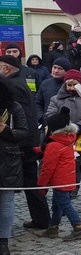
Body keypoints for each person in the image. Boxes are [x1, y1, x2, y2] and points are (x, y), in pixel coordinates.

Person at [46, 69, 81, 219]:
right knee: (68, 178)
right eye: (69, 84)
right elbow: (51, 117)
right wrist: (68, 128)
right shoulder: (56, 100)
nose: (71, 88)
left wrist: (80, 126)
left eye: (75, 84)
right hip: (65, 144)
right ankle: (66, 206)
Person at [0, 55, 46, 230]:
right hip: (24, 141)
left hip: (21, 143)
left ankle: (41, 219)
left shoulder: (12, 86)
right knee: (30, 181)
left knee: (30, 182)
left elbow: (21, 117)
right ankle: (41, 219)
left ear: (6, 69)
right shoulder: (18, 82)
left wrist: (15, 138)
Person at [37, 108, 81, 241]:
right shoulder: (66, 140)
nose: (45, 129)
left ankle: (79, 227)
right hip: (68, 179)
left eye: (46, 127)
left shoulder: (54, 145)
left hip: (60, 181)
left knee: (65, 205)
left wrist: (42, 186)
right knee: (57, 204)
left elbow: (47, 168)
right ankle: (53, 227)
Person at [0, 77, 29, 255]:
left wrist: (6, 131)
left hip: (7, 160)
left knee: (6, 203)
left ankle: (3, 240)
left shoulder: (14, 108)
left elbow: (25, 132)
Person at [35, 57, 71, 123]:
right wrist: (41, 117)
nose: (56, 71)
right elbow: (38, 103)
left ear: (66, 71)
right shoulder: (45, 84)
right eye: (54, 67)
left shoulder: (71, 85)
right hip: (47, 122)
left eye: (60, 69)